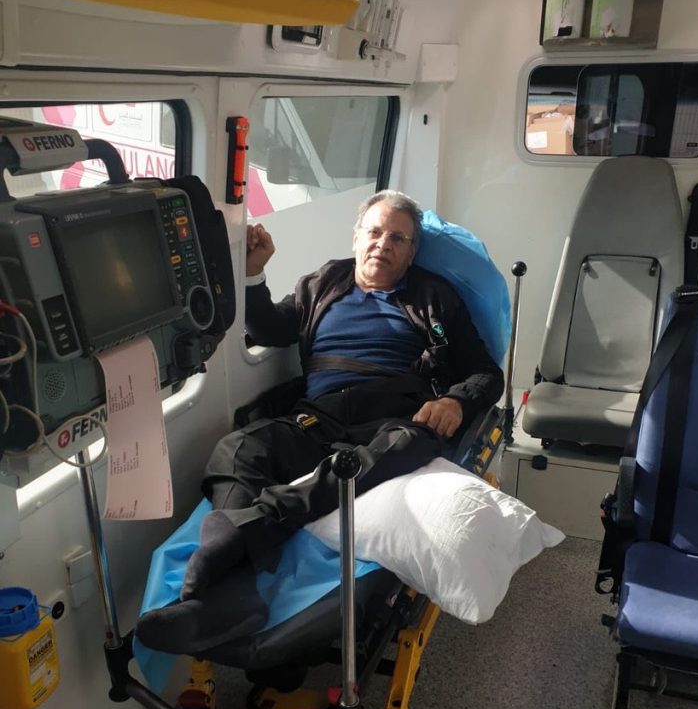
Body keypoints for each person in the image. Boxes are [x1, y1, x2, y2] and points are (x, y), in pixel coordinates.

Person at [137, 190, 503, 652]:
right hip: (319, 416)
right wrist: (253, 275)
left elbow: (486, 372)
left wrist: (454, 401)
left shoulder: (435, 298)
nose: (383, 244)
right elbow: (271, 328)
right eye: (374, 232)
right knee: (239, 447)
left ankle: (242, 531)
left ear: (412, 253)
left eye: (398, 238)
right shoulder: (322, 282)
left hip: (393, 419)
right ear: (356, 237)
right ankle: (232, 598)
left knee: (404, 446)